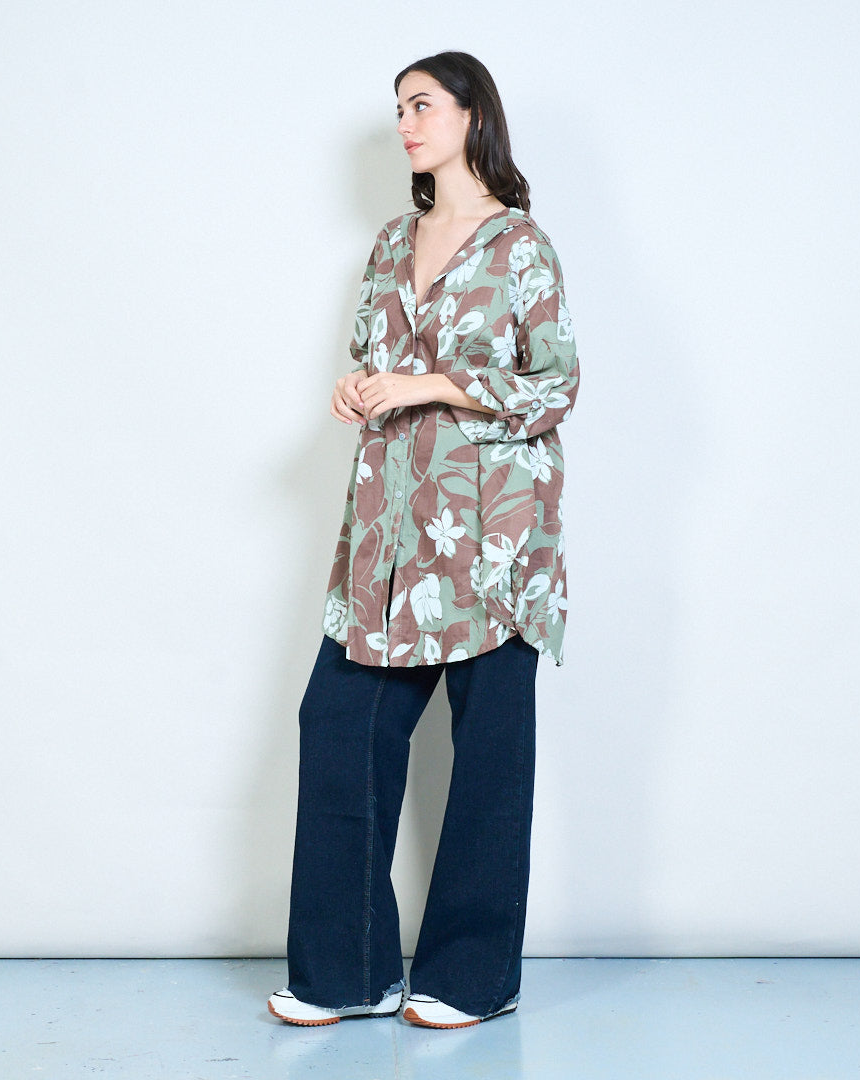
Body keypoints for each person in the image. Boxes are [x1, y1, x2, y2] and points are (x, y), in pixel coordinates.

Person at [267, 50, 579, 1029]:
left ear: (473, 115)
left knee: (490, 755)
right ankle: (348, 973)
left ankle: (474, 978)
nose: (405, 123)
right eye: (398, 108)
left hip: (493, 537)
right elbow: (375, 357)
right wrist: (361, 385)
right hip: (391, 531)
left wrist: (434, 383)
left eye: (422, 104)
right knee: (340, 726)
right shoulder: (391, 241)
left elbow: (555, 383)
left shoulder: (521, 246)